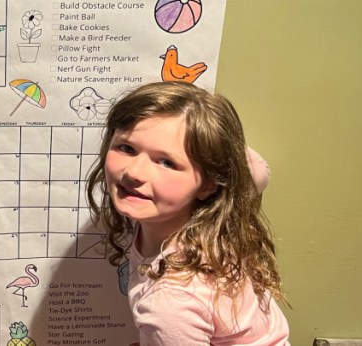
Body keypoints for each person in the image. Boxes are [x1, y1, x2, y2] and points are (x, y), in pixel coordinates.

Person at [86, 81, 289, 345]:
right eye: (127, 148)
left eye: (166, 162)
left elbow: (174, 315)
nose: (134, 173)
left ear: (209, 184)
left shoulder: (170, 304)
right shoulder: (212, 202)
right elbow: (255, 171)